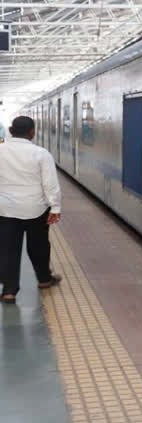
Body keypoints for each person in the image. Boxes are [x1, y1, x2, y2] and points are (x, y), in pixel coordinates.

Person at [0, 116, 62, 304]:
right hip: (36, 208)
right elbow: (50, 183)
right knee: (39, 245)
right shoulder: (41, 154)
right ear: (32, 132)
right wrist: (55, 207)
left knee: (7, 249)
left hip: (5, 209)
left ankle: (9, 292)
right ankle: (44, 279)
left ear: (10, 130)